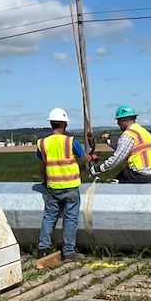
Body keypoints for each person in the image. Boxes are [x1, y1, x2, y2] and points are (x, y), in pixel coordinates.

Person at [36, 107, 88, 262]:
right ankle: (68, 253)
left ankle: (43, 250)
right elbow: (84, 158)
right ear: (65, 125)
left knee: (49, 217)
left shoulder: (42, 143)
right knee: (70, 218)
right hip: (71, 186)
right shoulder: (70, 141)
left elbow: (42, 164)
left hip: (52, 187)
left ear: (51, 124)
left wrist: (45, 180)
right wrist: (91, 157)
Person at [91, 105, 151, 183]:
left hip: (140, 174)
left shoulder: (128, 134)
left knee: (113, 186)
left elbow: (118, 157)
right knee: (118, 179)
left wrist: (98, 169)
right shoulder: (143, 132)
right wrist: (108, 141)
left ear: (126, 120)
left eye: (119, 120)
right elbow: (125, 149)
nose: (118, 123)